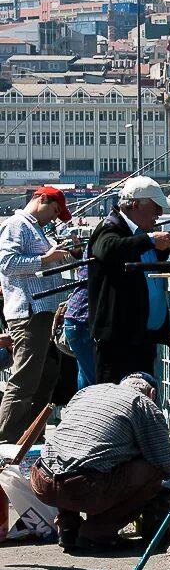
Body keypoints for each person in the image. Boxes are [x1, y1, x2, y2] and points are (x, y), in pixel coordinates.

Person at [29, 371, 170, 551]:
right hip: (84, 488)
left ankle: (68, 528)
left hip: (42, 480)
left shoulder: (87, 392)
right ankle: (97, 533)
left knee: (72, 457)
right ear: (152, 394)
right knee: (153, 471)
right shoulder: (143, 404)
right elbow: (167, 461)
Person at [0, 186, 73, 443]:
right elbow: (7, 264)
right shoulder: (17, 225)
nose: (54, 218)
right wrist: (45, 258)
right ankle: (6, 442)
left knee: (47, 375)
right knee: (24, 381)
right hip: (29, 313)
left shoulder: (35, 229)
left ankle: (30, 437)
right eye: (54, 211)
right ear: (42, 199)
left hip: (43, 313)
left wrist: (59, 256)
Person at [87, 177, 170, 384]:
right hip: (118, 340)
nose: (159, 214)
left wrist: (163, 250)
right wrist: (151, 240)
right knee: (112, 400)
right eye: (156, 207)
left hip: (142, 337)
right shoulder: (110, 226)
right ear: (136, 204)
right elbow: (107, 249)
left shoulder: (139, 234)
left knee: (141, 399)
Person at [63, 265, 95, 389]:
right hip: (82, 321)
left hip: (77, 320)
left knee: (86, 376)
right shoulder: (99, 248)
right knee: (95, 384)